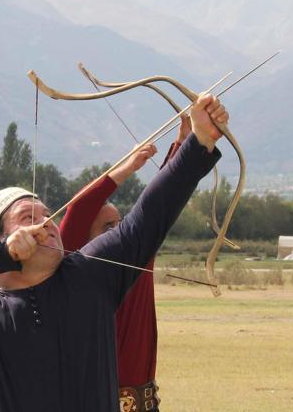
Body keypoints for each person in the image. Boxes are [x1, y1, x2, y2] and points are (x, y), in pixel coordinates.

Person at [0, 94, 228, 411]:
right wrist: (0, 257)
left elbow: (147, 217)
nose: (46, 223)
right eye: (27, 218)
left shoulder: (90, 275)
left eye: (47, 215)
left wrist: (199, 141)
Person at [59, 115, 192, 412]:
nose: (119, 232)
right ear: (81, 240)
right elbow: (79, 209)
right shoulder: (74, 267)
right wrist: (128, 167)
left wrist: (185, 143)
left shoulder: (138, 259)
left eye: (120, 223)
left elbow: (161, 200)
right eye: (108, 227)